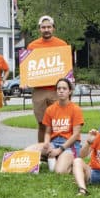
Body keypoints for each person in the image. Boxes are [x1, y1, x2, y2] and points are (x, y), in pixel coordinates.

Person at [28, 15, 71, 145]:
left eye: (49, 27)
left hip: (56, 90)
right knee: (42, 123)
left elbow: (67, 68)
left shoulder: (62, 44)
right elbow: (27, 68)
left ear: (53, 28)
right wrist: (25, 81)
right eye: (43, 27)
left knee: (58, 123)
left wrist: (68, 87)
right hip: (39, 90)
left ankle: (58, 150)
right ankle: (42, 153)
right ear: (39, 29)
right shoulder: (32, 46)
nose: (46, 29)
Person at [26, 78, 83, 175]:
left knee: (60, 171)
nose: (61, 91)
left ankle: (71, 163)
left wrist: (60, 150)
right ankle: (54, 157)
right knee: (28, 151)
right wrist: (47, 143)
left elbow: (75, 135)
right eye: (59, 88)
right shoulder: (50, 109)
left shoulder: (76, 109)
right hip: (54, 143)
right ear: (56, 91)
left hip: (70, 145)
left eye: (64, 89)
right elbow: (47, 132)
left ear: (69, 91)